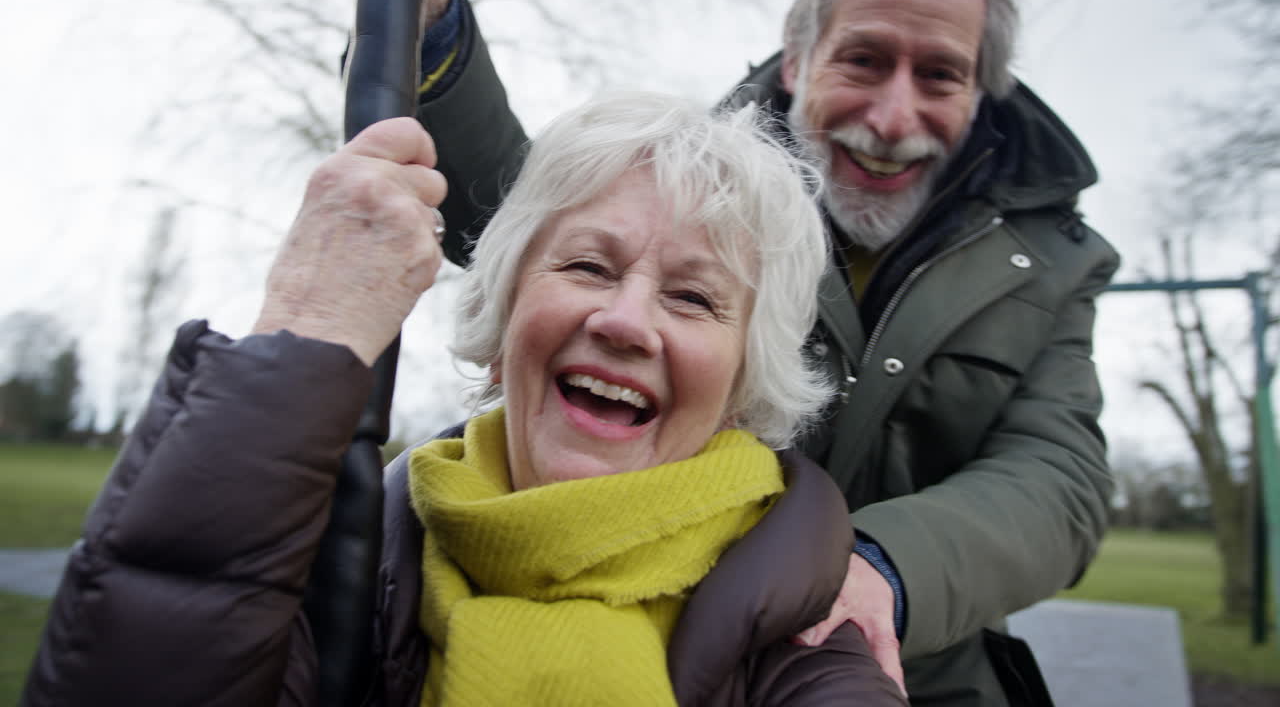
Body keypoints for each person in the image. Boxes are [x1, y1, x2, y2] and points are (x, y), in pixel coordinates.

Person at [22, 94, 910, 707]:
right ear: (504, 313)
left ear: (742, 382)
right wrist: (307, 326)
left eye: (693, 297)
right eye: (588, 265)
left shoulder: (805, 629)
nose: (625, 320)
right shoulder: (356, 566)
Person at [412, 0, 1122, 704]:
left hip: (920, 672)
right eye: (863, 60)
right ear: (797, 59)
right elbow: (524, 217)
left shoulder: (1055, 259)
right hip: (675, 638)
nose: (892, 118)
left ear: (980, 89)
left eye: (940, 74)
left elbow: (1058, 474)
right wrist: (435, 38)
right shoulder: (710, 184)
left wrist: (882, 568)